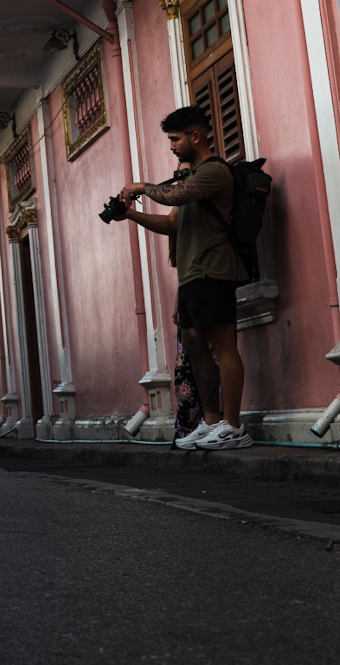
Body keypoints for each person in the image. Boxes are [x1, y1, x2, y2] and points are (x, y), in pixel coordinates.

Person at [113, 105, 251, 450]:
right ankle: (211, 422)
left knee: (223, 344)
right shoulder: (190, 178)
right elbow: (172, 223)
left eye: (175, 139)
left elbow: (175, 195)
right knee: (193, 346)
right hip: (191, 274)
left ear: (196, 137)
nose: (172, 146)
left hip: (214, 269)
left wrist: (142, 187)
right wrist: (129, 214)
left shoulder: (214, 172)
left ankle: (234, 427)